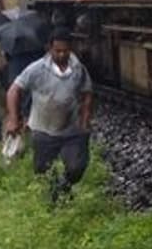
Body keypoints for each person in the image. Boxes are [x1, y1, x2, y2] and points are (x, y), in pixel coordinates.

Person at [5, 29, 93, 196]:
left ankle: (65, 186)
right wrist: (13, 118)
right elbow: (13, 91)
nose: (61, 55)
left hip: (72, 129)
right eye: (57, 51)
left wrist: (85, 117)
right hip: (44, 129)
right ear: (49, 49)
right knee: (42, 171)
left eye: (65, 51)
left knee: (76, 167)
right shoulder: (37, 69)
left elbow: (87, 91)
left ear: (71, 49)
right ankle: (53, 199)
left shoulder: (78, 69)